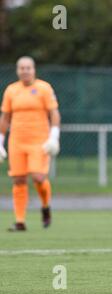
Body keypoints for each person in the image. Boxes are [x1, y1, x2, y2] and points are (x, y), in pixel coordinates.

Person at [0, 56, 61, 231]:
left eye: (28, 68)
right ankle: (20, 221)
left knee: (38, 177)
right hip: (17, 141)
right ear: (17, 70)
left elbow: (54, 114)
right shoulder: (11, 90)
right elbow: (5, 118)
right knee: (18, 179)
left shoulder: (44, 88)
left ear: (33, 70)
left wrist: (53, 136)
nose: (25, 71)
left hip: (39, 141)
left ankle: (45, 206)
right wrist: (0, 142)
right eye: (22, 68)